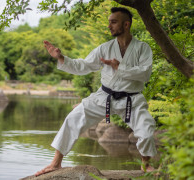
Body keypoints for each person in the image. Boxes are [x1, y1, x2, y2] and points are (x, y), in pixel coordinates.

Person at [35, 7, 157, 176]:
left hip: (132, 100)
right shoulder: (104, 48)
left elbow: (145, 74)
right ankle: (56, 163)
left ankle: (145, 164)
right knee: (73, 118)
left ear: (126, 24)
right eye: (109, 22)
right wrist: (61, 58)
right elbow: (84, 66)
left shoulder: (143, 48)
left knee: (146, 127)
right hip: (105, 96)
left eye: (113, 22)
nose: (109, 26)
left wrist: (119, 67)